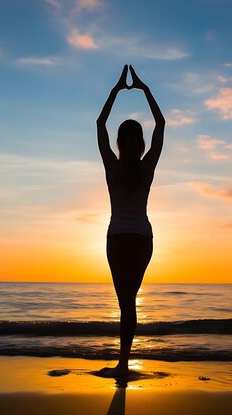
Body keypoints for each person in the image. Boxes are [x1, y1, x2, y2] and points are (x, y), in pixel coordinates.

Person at [95, 65, 166, 378]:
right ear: (139, 144)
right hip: (141, 239)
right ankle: (124, 362)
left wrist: (115, 90)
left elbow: (100, 123)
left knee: (124, 300)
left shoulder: (112, 166)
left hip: (117, 239)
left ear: (121, 143)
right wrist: (144, 88)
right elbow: (161, 124)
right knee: (130, 301)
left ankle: (123, 364)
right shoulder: (147, 167)